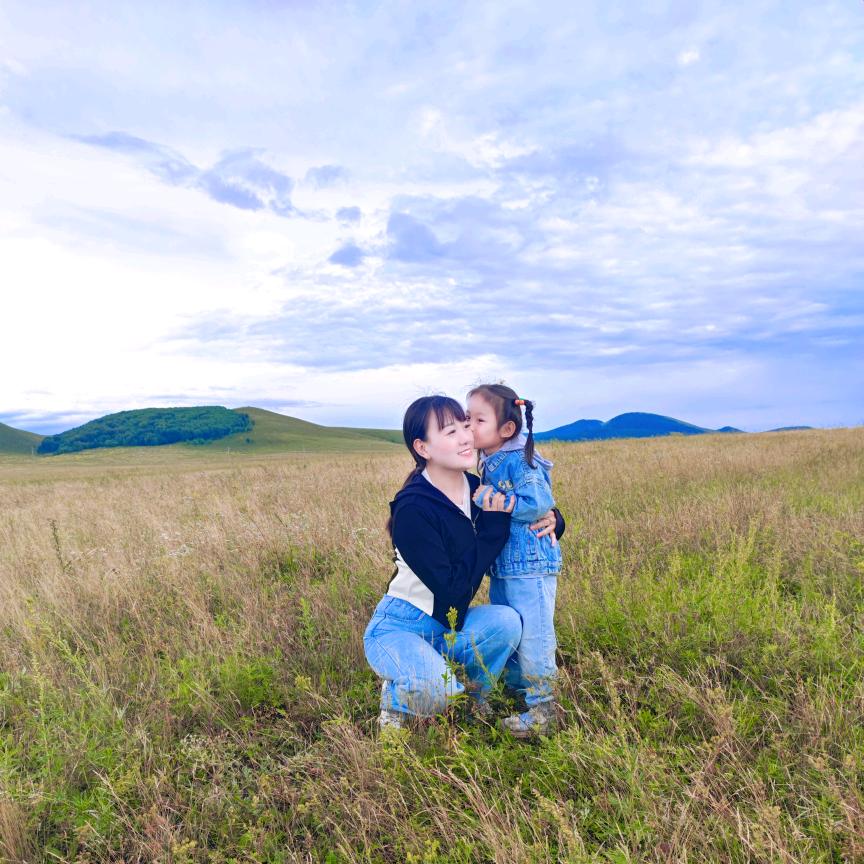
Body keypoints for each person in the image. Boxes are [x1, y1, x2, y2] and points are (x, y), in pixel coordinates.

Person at [363, 395, 562, 732]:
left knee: (507, 621)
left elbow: (523, 511)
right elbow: (454, 590)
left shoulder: (477, 489)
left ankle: (473, 697)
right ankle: (397, 695)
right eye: (450, 431)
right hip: (400, 626)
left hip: (450, 625)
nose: (465, 436)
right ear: (423, 448)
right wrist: (495, 524)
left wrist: (556, 519)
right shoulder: (413, 509)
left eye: (466, 426)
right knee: (438, 694)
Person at [467, 383, 563, 737]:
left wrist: (498, 502)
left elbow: (539, 501)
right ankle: (520, 692)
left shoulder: (519, 459)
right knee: (518, 630)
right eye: (467, 417)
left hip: (531, 565)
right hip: (507, 566)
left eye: (478, 419)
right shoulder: (490, 460)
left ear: (506, 429)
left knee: (535, 635)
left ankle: (543, 709)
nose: (469, 426)